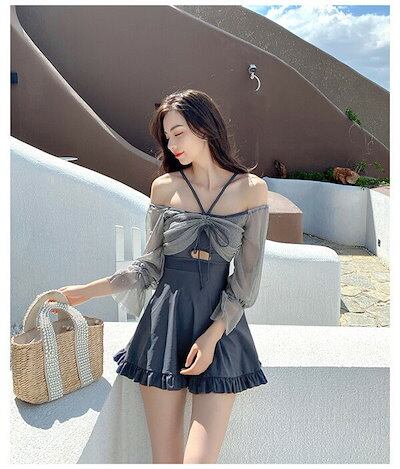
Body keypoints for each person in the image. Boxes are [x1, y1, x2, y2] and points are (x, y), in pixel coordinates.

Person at [55, 89, 270, 464]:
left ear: (205, 127)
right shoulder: (165, 187)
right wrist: (85, 292)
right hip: (164, 328)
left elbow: (246, 281)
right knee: (165, 460)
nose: (172, 146)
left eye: (178, 133)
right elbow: (149, 266)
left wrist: (212, 334)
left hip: (221, 330)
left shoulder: (251, 190)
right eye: (167, 138)